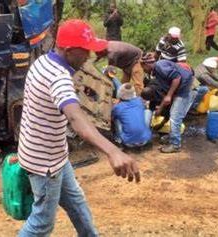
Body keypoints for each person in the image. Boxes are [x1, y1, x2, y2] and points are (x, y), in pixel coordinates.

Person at [18, 19, 140, 237]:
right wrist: (113, 151)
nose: (88, 56)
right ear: (69, 50)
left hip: (51, 154)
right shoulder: (59, 77)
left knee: (76, 202)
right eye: (85, 52)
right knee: (41, 223)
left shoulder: (43, 62)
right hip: (45, 163)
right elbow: (76, 119)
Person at [140, 54, 196, 153]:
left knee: (175, 116)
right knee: (173, 112)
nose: (143, 70)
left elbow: (176, 78)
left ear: (146, 64)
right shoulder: (157, 71)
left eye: (143, 68)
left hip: (184, 88)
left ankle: (175, 144)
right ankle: (172, 137)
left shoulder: (160, 67)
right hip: (181, 87)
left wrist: (169, 95)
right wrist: (161, 107)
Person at [112, 83, 152, 147]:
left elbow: (113, 116)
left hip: (128, 143)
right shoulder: (139, 101)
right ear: (134, 93)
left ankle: (118, 139)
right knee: (147, 112)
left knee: (116, 119)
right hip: (144, 140)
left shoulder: (118, 107)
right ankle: (145, 132)